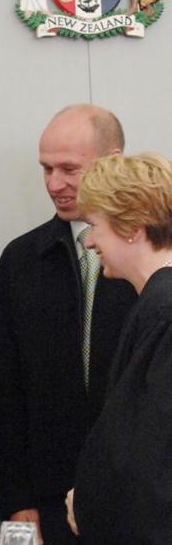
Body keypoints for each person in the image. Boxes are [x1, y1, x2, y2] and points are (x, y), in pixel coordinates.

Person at [0, 105, 137, 545]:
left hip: (142, 497)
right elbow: (9, 393)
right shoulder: (21, 261)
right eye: (46, 169)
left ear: (112, 161)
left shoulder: (152, 258)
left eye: (69, 169)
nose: (55, 184)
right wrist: (18, 503)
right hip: (52, 504)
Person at [65, 153, 172, 544]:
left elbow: (153, 457)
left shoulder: (164, 309)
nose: (90, 241)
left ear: (131, 227)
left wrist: (91, 502)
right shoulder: (155, 303)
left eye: (95, 225)